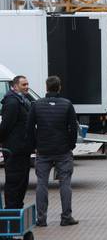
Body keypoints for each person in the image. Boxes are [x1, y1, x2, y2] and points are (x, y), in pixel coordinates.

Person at [26, 76, 78, 227]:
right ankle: (66, 217)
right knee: (65, 184)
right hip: (63, 150)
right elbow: (73, 128)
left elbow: (29, 128)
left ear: (46, 87)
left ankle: (41, 219)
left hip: (43, 150)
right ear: (59, 87)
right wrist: (71, 145)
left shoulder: (36, 105)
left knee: (41, 183)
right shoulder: (67, 104)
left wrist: (35, 144)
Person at [0, 75, 32, 210]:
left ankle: (17, 210)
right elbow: (6, 125)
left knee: (22, 182)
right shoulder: (12, 102)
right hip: (14, 150)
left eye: (27, 84)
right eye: (23, 85)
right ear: (15, 86)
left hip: (22, 149)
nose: (26, 87)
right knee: (14, 182)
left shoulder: (22, 101)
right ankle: (11, 213)